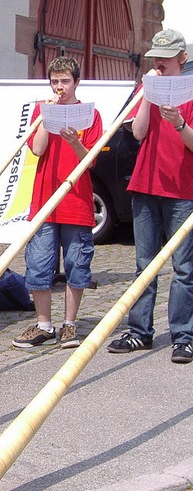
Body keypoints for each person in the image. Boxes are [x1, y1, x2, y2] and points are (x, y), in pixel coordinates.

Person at [107, 29, 193, 364]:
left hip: (182, 189)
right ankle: (140, 331)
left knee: (184, 267)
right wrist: (147, 95)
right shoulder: (149, 87)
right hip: (146, 184)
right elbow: (139, 132)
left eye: (166, 59)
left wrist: (179, 122)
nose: (159, 63)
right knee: (144, 265)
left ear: (181, 58)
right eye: (156, 57)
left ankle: (184, 336)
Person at [12, 56, 102, 349]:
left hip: (76, 201)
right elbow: (37, 150)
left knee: (77, 264)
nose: (59, 87)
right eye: (54, 81)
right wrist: (44, 121)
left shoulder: (91, 114)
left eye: (64, 81)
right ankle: (44, 325)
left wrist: (75, 141)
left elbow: (90, 162)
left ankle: (70, 325)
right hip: (45, 200)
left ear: (76, 82)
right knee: (39, 265)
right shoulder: (43, 111)